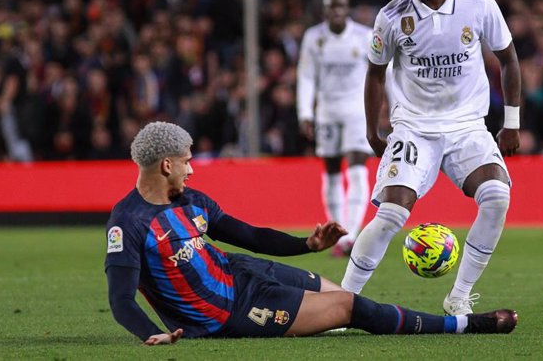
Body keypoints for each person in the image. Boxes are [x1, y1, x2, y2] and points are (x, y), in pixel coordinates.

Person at [105, 121, 518, 344]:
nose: (191, 168)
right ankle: (465, 326)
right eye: (185, 162)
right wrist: (150, 333)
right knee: (349, 308)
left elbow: (247, 234)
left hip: (241, 271)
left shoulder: (189, 200)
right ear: (165, 166)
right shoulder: (130, 222)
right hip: (229, 314)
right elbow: (120, 299)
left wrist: (308, 244)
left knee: (334, 294)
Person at [340, 0, 522, 316]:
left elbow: (508, 59)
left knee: (497, 197)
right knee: (390, 214)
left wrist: (512, 122)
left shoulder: (478, 3)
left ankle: (459, 295)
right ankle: (343, 302)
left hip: (467, 126)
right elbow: (375, 73)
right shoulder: (392, 16)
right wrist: (373, 129)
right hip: (414, 129)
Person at [296, 0, 374, 256]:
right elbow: (306, 76)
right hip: (327, 111)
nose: (337, 11)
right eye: (331, 8)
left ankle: (352, 234)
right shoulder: (313, 37)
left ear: (347, 9)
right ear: (325, 12)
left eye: (341, 6)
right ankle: (338, 235)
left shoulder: (364, 36)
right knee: (331, 170)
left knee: (356, 167)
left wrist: (389, 106)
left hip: (357, 110)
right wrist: (305, 112)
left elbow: (381, 72)